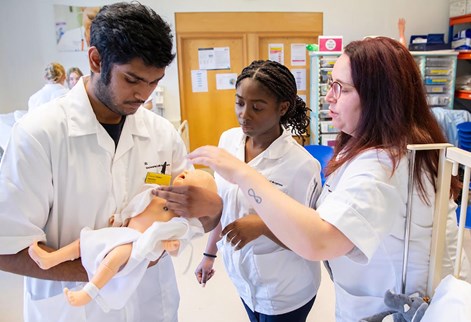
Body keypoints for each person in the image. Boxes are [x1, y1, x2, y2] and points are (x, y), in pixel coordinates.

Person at [176, 37, 466, 322]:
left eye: (341, 88)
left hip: (386, 303)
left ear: (379, 97)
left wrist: (244, 175)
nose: (329, 97)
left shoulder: (383, 165)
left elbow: (318, 241)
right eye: (330, 84)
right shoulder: (365, 147)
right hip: (356, 296)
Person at [0, 3, 222, 322]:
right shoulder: (38, 135)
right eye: (132, 79)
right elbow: (7, 247)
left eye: (154, 82)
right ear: (95, 60)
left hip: (150, 306)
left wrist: (212, 209)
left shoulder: (161, 134)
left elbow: (191, 220)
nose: (143, 94)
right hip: (73, 308)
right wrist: (115, 263)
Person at [189, 60, 322, 322]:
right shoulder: (228, 141)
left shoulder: (300, 165)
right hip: (244, 280)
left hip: (285, 289)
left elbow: (312, 241)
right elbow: (224, 204)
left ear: (282, 107)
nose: (244, 114)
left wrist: (263, 225)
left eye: (257, 107)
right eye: (239, 102)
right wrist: (209, 254)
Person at [28, 169, 217, 312]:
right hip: (123, 231)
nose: (183, 172)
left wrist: (172, 246)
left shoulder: (181, 220)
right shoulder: (156, 193)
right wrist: (120, 218)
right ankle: (50, 259)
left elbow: (179, 242)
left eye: (190, 178)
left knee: (114, 257)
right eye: (185, 172)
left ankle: (89, 292)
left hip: (136, 245)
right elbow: (136, 207)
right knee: (85, 241)